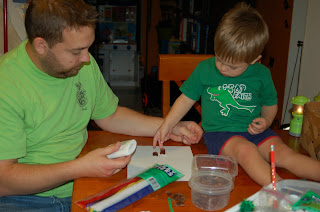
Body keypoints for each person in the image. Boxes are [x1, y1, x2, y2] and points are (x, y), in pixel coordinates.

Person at [0, 0, 203, 211]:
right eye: (76, 51)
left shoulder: (80, 65)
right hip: (26, 199)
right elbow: (3, 181)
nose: (86, 59)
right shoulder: (6, 84)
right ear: (41, 45)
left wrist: (167, 126)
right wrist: (79, 168)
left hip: (85, 184)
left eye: (88, 47)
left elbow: (110, 115)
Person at [153, 3, 320, 186]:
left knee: (283, 153)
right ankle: (281, 188)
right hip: (221, 135)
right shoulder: (204, 70)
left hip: (256, 132)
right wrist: (166, 124)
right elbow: (185, 99)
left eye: (232, 66)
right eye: (219, 58)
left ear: (255, 60)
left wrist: (265, 120)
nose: (223, 68)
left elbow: (270, 103)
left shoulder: (262, 74)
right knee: (246, 150)